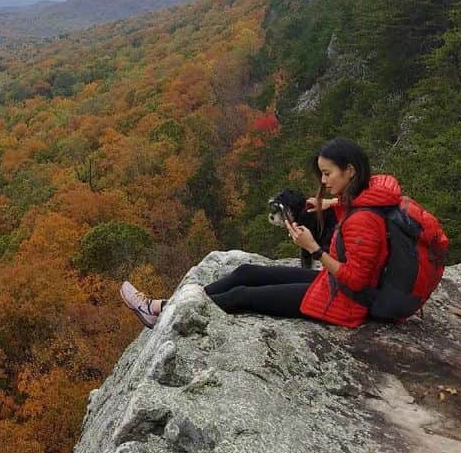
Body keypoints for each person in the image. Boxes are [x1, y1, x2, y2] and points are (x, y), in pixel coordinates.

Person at [120, 137, 395, 329]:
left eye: (327, 173)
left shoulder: (364, 221)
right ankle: (163, 307)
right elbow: (360, 208)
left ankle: (162, 311)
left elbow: (356, 280)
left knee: (242, 296)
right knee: (247, 272)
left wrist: (314, 249)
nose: (323, 181)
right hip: (335, 285)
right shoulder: (371, 193)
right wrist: (332, 203)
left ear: (350, 171)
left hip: (345, 302)